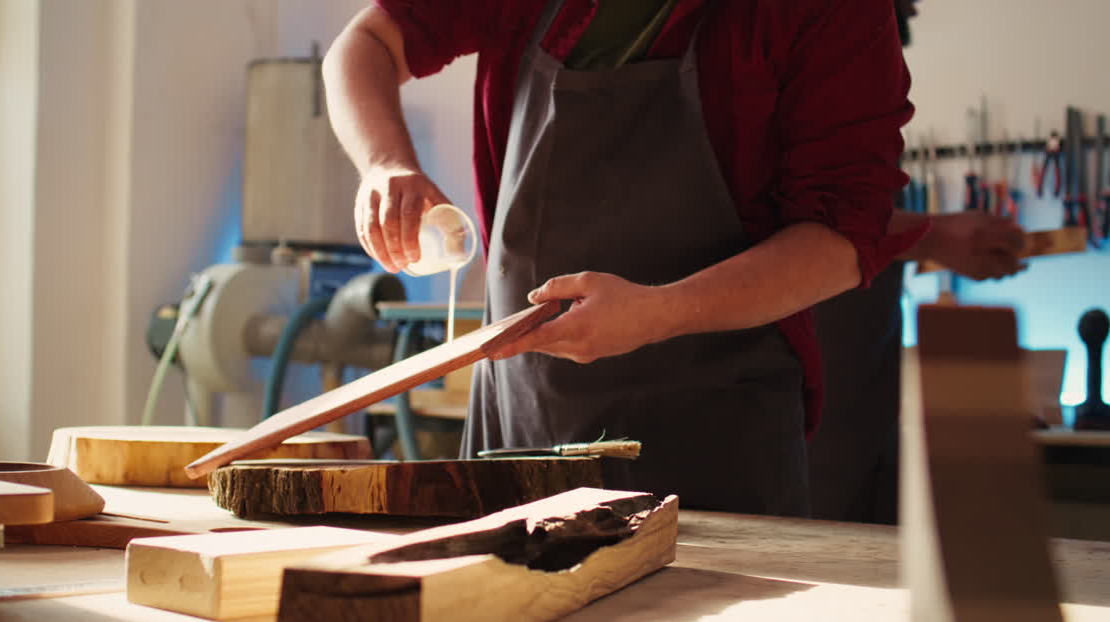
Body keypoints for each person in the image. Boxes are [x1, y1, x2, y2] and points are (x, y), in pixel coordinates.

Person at [323, 0, 921, 516]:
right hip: (518, 423)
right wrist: (384, 163)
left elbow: (842, 237)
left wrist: (661, 312)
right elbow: (367, 42)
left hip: (710, 446)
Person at [807, 0, 1028, 524]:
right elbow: (782, 213)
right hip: (809, 426)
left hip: (865, 411)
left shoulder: (858, 64)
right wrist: (932, 236)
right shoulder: (790, 39)